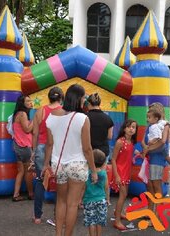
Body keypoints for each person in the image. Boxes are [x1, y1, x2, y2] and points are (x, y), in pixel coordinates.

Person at [43, 84, 97, 236]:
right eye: (84, 97)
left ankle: (58, 234)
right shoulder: (82, 118)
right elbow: (87, 149)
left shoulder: (51, 117)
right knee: (73, 204)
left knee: (61, 202)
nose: (85, 100)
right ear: (79, 98)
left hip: (58, 165)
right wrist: (93, 170)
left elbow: (49, 144)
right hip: (78, 165)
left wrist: (46, 164)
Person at [32, 86, 64, 224]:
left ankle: (37, 217)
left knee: (40, 181)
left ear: (49, 98)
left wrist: (33, 151)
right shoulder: (64, 112)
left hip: (41, 148)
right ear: (61, 98)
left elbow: (35, 133)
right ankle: (58, 216)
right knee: (60, 182)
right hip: (58, 149)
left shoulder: (41, 111)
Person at [141, 102, 170, 213]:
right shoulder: (151, 126)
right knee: (150, 186)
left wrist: (148, 149)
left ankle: (158, 215)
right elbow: (143, 141)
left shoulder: (164, 125)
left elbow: (163, 142)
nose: (148, 117)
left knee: (156, 186)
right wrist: (146, 147)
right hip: (150, 159)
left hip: (157, 159)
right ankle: (150, 211)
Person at [110, 119, 138, 231]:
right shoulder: (120, 142)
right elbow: (113, 159)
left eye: (134, 127)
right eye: (129, 126)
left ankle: (118, 212)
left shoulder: (132, 142)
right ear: (124, 128)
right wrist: (116, 175)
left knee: (124, 195)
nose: (131, 129)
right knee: (123, 195)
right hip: (120, 172)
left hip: (126, 172)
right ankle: (117, 221)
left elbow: (127, 157)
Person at [11, 95, 34, 202]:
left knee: (20, 171)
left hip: (17, 145)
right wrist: (34, 120)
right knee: (28, 171)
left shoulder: (17, 114)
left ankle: (16, 194)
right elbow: (27, 129)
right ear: (22, 103)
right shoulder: (23, 114)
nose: (30, 102)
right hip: (24, 146)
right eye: (28, 101)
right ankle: (31, 194)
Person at [83, 149, 109, 236]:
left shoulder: (87, 173)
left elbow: (83, 187)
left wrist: (80, 199)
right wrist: (107, 199)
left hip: (88, 200)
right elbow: (106, 187)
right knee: (99, 221)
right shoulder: (104, 173)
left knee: (91, 222)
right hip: (101, 200)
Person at [86, 93, 114, 157]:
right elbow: (109, 136)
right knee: (102, 167)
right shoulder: (108, 118)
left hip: (89, 151)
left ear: (89, 103)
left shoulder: (84, 117)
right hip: (103, 152)